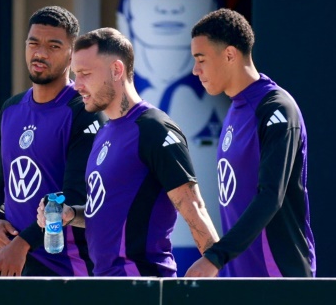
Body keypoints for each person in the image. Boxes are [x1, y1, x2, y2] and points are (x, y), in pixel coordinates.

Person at [39, 27, 220, 277]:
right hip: (104, 286)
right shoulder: (104, 133)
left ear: (116, 70)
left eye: (85, 74)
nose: (77, 85)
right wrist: (71, 214)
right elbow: (104, 213)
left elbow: (194, 208)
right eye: (75, 75)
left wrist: (222, 277)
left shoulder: (153, 128)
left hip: (144, 287)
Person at [185, 8, 316, 277]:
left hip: (278, 278)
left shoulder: (276, 109)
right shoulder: (235, 110)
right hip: (240, 279)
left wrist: (216, 257)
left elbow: (270, 196)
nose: (195, 70)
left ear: (230, 54)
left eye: (201, 59)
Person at [116, 0, 231, 271]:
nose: (169, 6)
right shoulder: (111, 108)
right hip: (135, 250)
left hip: (214, 242)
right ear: (125, 16)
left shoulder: (231, 105)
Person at [0, 6, 105, 276]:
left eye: (53, 46)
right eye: (33, 43)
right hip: (14, 263)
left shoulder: (84, 112)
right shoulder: (11, 108)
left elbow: (75, 198)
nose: (40, 53)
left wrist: (23, 244)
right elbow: (4, 185)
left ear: (72, 53)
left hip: (68, 271)